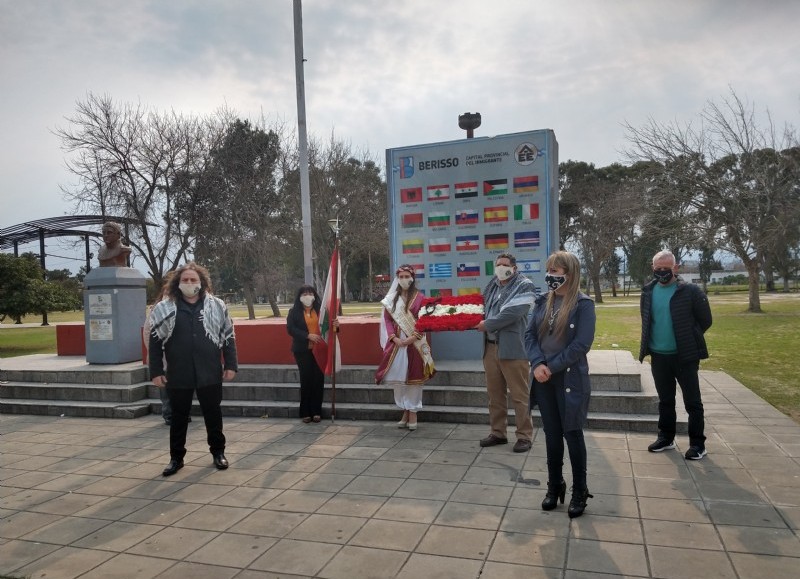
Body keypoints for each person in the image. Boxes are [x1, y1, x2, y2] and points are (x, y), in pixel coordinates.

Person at [148, 262, 238, 476]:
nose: (189, 283)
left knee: (213, 415)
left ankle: (218, 453)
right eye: (185, 280)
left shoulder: (217, 306)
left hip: (210, 371)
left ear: (202, 283)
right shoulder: (164, 308)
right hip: (179, 373)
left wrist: (231, 365)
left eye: (193, 280)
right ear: (177, 283)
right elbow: (154, 342)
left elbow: (228, 337)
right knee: (178, 418)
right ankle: (176, 458)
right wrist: (156, 371)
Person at [525, 251, 596, 518]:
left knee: (572, 435)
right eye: (549, 270)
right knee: (552, 436)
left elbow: (581, 344)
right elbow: (530, 335)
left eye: (556, 271)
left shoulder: (583, 304)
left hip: (569, 379)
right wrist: (537, 364)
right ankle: (555, 486)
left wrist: (550, 367)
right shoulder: (543, 301)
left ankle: (580, 490)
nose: (551, 276)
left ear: (570, 272)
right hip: (543, 379)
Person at [640, 250, 712, 460]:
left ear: (675, 268)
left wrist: (689, 337)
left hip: (684, 356)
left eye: (666, 268)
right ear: (653, 269)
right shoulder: (648, 292)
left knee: (693, 402)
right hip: (658, 356)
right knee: (665, 400)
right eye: (658, 268)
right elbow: (647, 321)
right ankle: (666, 437)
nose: (662, 272)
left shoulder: (690, 291)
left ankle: (698, 444)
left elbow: (705, 320)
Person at [475, 253, 537, 452]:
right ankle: (498, 433)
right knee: (495, 395)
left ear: (514, 267)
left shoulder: (524, 285)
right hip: (490, 347)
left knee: (520, 395)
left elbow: (513, 313)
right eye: (498, 265)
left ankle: (524, 436)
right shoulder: (493, 285)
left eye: (505, 265)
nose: (501, 268)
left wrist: (487, 324)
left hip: (513, 348)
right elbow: (481, 307)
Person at [375, 264, 435, 430]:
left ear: (413, 277)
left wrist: (411, 339)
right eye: (400, 277)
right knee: (399, 379)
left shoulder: (421, 298)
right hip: (396, 344)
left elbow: (424, 322)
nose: (403, 279)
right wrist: (393, 338)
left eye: (406, 276)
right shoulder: (391, 298)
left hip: (414, 343)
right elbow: (387, 320)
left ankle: (413, 411)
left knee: (414, 379)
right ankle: (404, 410)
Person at [286, 285, 326, 423]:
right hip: (302, 350)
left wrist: (336, 325)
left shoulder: (322, 310)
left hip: (320, 350)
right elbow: (290, 329)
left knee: (318, 380)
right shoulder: (294, 311)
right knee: (306, 379)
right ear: (299, 296)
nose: (307, 296)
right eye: (304, 293)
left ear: (314, 295)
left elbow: (331, 329)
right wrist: (307, 335)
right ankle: (305, 412)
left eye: (310, 293)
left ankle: (316, 411)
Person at [143, 272, 176, 426]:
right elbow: (149, 332)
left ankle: (181, 413)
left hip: (179, 358)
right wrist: (154, 352)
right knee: (166, 387)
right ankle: (169, 414)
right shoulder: (158, 309)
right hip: (163, 356)